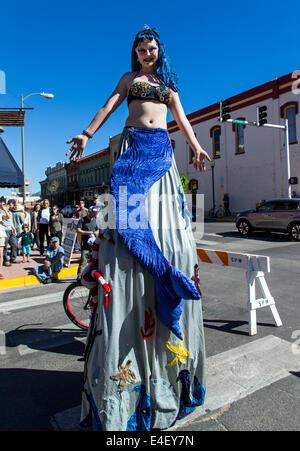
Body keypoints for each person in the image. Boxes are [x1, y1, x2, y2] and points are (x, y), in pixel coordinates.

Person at [66, 25, 210, 431]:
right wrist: (87, 133)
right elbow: (108, 106)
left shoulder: (168, 86)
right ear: (135, 53)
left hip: (161, 154)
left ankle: (167, 277)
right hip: (132, 151)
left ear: (159, 52)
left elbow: (181, 120)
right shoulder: (130, 81)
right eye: (142, 49)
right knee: (128, 222)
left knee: (171, 232)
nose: (147, 53)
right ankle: (157, 270)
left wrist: (197, 146)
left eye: (152, 48)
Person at [76, 206, 98, 279]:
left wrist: (95, 233)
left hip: (94, 244)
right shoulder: (82, 220)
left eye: (95, 214)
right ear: (89, 212)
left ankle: (92, 276)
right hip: (85, 244)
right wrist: (87, 232)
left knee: (94, 261)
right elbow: (78, 230)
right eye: (92, 214)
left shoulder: (95, 220)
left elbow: (98, 229)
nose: (93, 215)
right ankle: (79, 277)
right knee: (83, 261)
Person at [1, 198, 18, 266]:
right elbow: (6, 218)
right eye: (13, 205)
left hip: (10, 230)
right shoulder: (2, 211)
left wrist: (14, 229)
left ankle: (13, 258)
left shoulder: (10, 212)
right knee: (5, 246)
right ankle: (5, 260)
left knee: (14, 244)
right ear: (10, 204)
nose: (13, 206)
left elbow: (10, 221)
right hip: (5, 230)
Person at [0, 197, 10, 278]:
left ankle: (0, 271)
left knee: (0, 253)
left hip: (1, 234)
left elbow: (8, 217)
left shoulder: (1, 213)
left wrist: (4, 209)